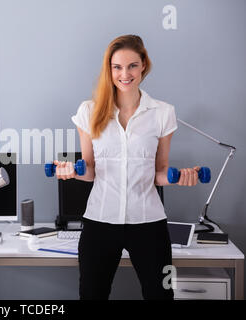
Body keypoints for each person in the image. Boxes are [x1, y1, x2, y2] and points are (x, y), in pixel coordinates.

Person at [54, 35, 200, 300]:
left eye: (132, 65)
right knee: (91, 296)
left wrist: (179, 178)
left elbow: (160, 172)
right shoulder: (89, 111)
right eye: (117, 67)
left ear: (143, 65)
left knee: (162, 295)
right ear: (109, 69)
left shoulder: (163, 112)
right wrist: (72, 171)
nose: (125, 74)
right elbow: (89, 171)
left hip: (149, 223)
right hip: (100, 222)